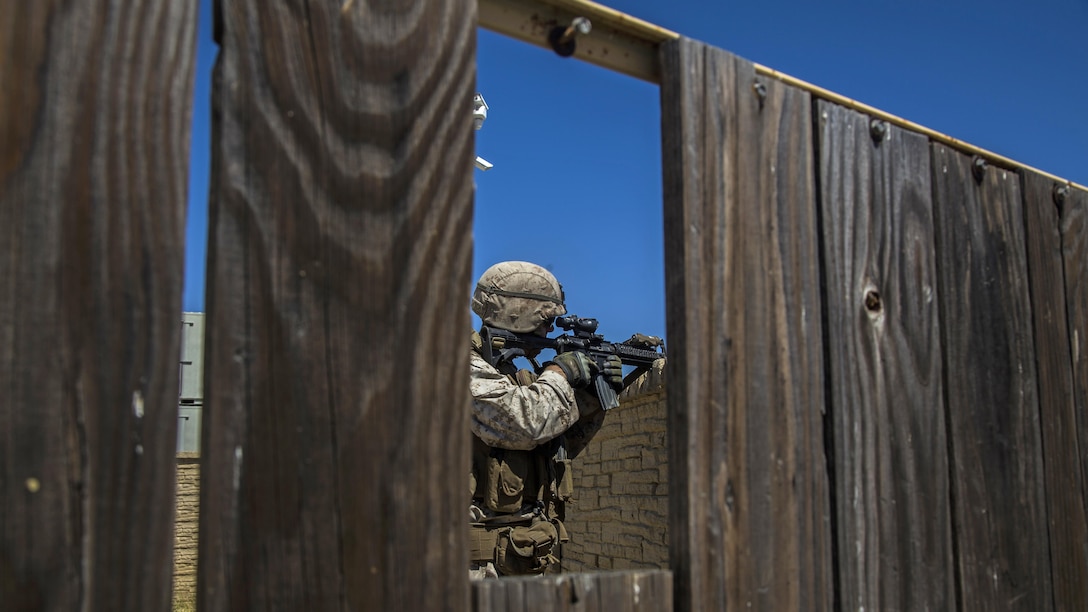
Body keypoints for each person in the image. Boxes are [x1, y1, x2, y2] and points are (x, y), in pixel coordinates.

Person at [468, 261, 622, 579]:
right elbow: (526, 425)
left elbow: (554, 445)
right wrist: (561, 372)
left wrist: (592, 397)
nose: (549, 331)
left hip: (519, 557)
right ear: (520, 313)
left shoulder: (513, 377)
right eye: (546, 320)